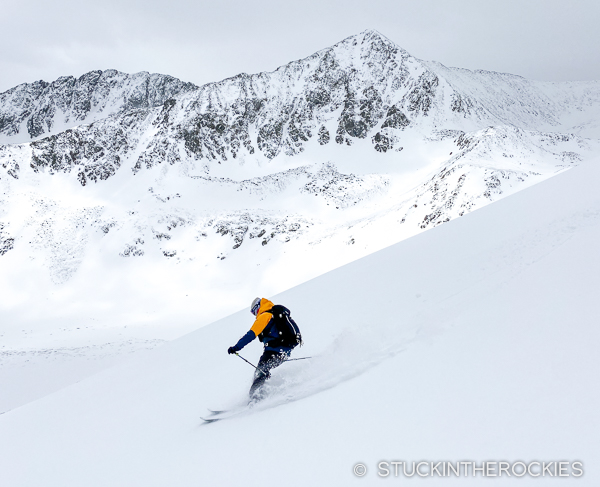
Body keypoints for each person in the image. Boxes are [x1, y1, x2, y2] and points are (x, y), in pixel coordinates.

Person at [228, 297, 302, 402]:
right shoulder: (273, 315)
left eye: (254, 311)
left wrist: (236, 347)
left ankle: (255, 400)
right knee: (263, 371)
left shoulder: (265, 316)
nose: (254, 314)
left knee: (260, 372)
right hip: (284, 351)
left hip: (275, 351)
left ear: (258, 307)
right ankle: (262, 394)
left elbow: (251, 334)